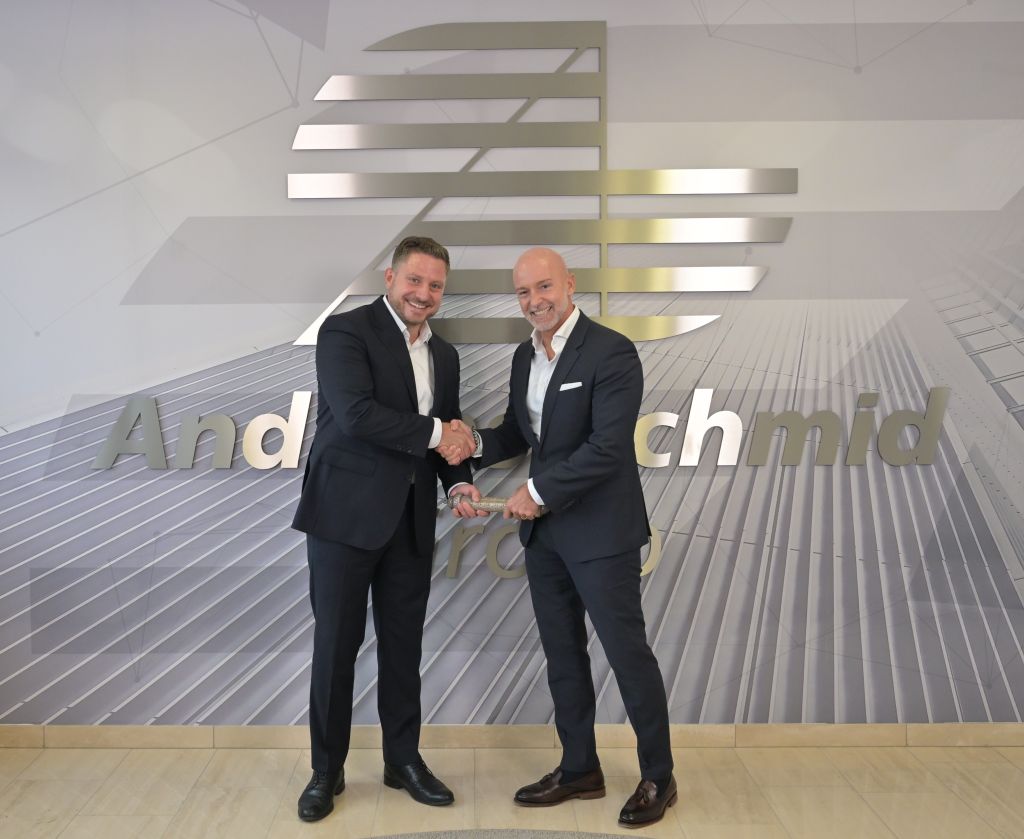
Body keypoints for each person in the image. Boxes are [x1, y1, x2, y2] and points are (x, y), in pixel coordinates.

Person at [451, 247, 676, 827]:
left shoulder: (611, 351)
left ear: (570, 284)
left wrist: (537, 491)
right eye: (524, 292)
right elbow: (518, 433)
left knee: (626, 655)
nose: (535, 301)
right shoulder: (524, 357)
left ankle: (659, 775)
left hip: (601, 533)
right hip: (546, 537)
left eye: (544, 287)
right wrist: (470, 447)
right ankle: (580, 768)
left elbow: (607, 446)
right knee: (563, 656)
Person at [291, 236, 481, 822]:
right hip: (343, 518)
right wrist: (440, 434)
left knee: (404, 648)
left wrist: (459, 482)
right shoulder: (345, 332)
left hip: (410, 520)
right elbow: (357, 415)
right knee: (336, 647)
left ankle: (403, 761)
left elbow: (448, 430)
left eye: (435, 285)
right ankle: (326, 771)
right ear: (390, 278)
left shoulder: (444, 355)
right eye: (414, 280)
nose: (424, 294)